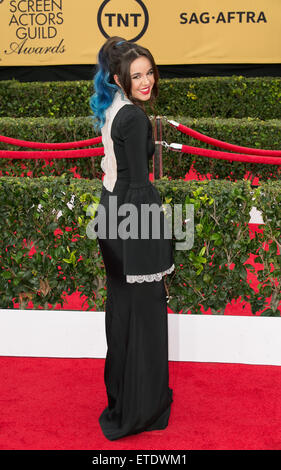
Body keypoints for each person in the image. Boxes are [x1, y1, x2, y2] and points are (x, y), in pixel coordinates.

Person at [90, 36, 175, 441]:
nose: (146, 81)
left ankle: (123, 400)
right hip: (131, 221)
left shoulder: (112, 108)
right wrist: (157, 250)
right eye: (135, 75)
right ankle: (142, 410)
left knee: (123, 312)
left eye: (149, 72)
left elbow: (113, 176)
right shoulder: (135, 118)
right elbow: (141, 189)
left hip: (111, 215)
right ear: (119, 79)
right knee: (143, 313)